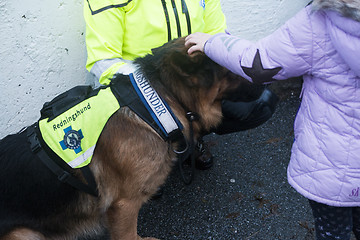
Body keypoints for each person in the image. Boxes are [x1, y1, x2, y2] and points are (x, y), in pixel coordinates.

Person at [185, 0, 360, 239]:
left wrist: (210, 43)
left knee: (333, 232)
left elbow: (259, 63)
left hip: (333, 166)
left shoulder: (320, 20)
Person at [83, 0, 278, 193]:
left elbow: (219, 39)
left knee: (261, 103)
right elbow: (104, 61)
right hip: (146, 89)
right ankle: (147, 159)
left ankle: (191, 140)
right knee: (142, 179)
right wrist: (154, 95)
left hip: (196, 87)